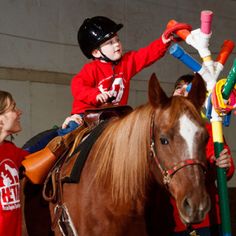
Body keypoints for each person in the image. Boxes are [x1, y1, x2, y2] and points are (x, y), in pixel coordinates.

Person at [61, 16, 190, 130]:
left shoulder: (126, 62)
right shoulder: (91, 69)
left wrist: (163, 42)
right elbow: (77, 86)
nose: (117, 45)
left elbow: (146, 55)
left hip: (114, 116)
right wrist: (96, 95)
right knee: (69, 132)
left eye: (117, 40)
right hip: (86, 116)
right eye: (110, 43)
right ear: (96, 52)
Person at [169, 74, 235, 236]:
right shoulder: (160, 129)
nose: (182, 91)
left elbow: (228, 169)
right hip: (169, 219)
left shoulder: (210, 130)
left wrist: (222, 165)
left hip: (206, 218)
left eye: (189, 89)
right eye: (179, 87)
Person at [0, 90, 57, 236]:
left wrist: (60, 132)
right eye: (13, 108)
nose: (19, 112)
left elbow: (35, 153)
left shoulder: (10, 151)